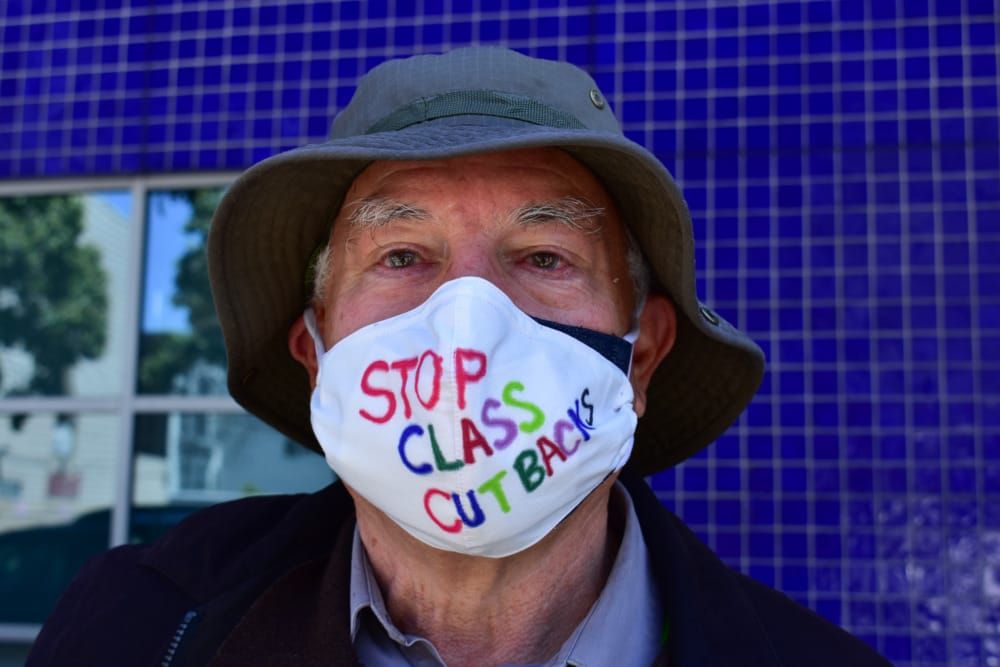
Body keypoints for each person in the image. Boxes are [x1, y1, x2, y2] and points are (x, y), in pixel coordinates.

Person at [29, 47, 889, 666]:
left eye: (545, 256)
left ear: (641, 358)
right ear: (315, 353)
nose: (468, 322)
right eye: (402, 256)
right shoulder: (137, 626)